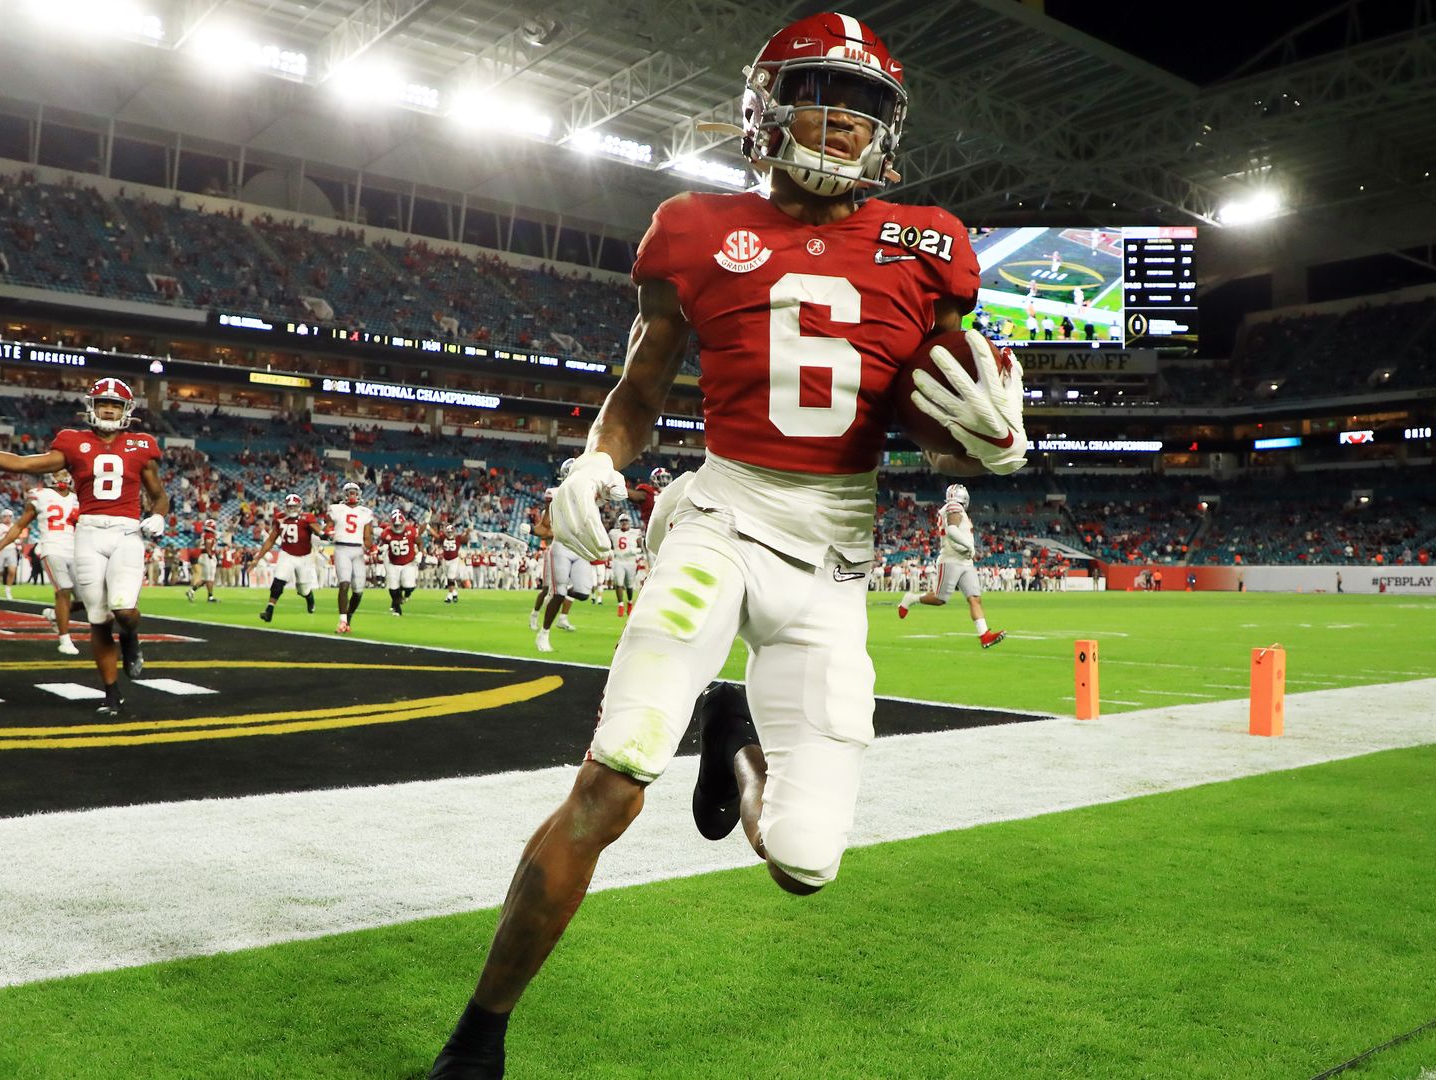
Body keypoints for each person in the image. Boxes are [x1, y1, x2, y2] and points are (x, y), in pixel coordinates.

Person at [424, 14, 1028, 1077]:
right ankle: (481, 1032)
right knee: (611, 782)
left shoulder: (930, 244)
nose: (841, 122)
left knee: (803, 863)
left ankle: (731, 736)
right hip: (722, 519)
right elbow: (641, 388)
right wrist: (597, 463)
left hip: (836, 560)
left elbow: (946, 424)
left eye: (865, 105)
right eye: (819, 95)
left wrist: (990, 444)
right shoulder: (695, 228)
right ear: (765, 107)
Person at [0, 377, 168, 717]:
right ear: (91, 407)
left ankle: (131, 638)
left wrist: (159, 516)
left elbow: (159, 495)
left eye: (115, 404)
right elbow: (22, 463)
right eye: (103, 403)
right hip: (88, 533)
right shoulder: (73, 443)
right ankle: (111, 694)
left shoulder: (141, 444)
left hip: (126, 532)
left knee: (124, 610)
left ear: (126, 410)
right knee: (99, 619)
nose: (108, 409)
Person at [895, 483, 1005, 647]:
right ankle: (911, 598)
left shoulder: (954, 508)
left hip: (965, 561)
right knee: (940, 599)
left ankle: (984, 635)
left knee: (975, 598)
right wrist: (969, 546)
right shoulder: (954, 507)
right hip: (951, 559)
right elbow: (952, 531)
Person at [0, 470, 82, 654]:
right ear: (49, 476)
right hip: (52, 548)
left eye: (64, 473)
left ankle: (55, 615)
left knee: (89, 599)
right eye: (58, 473)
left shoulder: (78, 497)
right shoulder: (40, 496)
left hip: (75, 551)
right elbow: (19, 525)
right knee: (63, 590)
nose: (62, 477)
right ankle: (65, 639)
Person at [531, 459, 591, 653]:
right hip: (562, 546)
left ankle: (560, 604)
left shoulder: (588, 493)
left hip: (580, 548)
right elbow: (545, 525)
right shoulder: (555, 493)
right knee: (558, 593)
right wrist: (533, 530)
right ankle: (544, 633)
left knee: (583, 593)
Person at [247, 493, 325, 622]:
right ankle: (269, 610)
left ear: (299, 506)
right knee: (278, 581)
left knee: (303, 589)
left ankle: (309, 597)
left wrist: (322, 533)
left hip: (304, 557)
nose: (292, 509)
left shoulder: (307, 517)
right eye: (290, 507)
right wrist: (257, 558)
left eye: (294, 507)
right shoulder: (280, 518)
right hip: (287, 553)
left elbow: (316, 529)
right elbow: (271, 540)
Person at [326, 481, 375, 634]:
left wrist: (371, 547)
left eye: (354, 492)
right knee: (344, 584)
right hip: (342, 549)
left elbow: (367, 536)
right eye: (349, 492)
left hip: (358, 551)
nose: (352, 495)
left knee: (359, 591)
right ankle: (342, 621)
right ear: (344, 494)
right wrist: (328, 532)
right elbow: (327, 527)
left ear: (358, 494)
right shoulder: (336, 509)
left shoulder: (365, 512)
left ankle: (348, 617)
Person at [378, 509, 421, 616]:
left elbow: (420, 542)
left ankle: (405, 595)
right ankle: (397, 608)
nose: (398, 527)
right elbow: (382, 543)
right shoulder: (386, 533)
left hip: (408, 562)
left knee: (409, 587)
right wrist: (382, 548)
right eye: (396, 525)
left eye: (399, 524)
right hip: (393, 562)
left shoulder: (411, 531)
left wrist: (420, 553)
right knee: (393, 588)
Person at [606, 511, 644, 617]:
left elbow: (641, 547)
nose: (624, 523)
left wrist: (635, 551)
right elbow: (609, 545)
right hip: (618, 560)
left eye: (626, 521)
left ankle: (630, 602)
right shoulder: (613, 532)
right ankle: (620, 605)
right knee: (618, 583)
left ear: (630, 522)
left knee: (629, 585)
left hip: (631, 561)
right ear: (619, 523)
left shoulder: (635, 532)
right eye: (622, 521)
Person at [186, 518, 220, 603]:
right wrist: (210, 554)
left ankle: (192, 591)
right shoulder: (209, 534)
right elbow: (208, 545)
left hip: (204, 555)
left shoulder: (206, 534)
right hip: (206, 556)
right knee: (209, 578)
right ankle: (210, 597)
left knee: (206, 578)